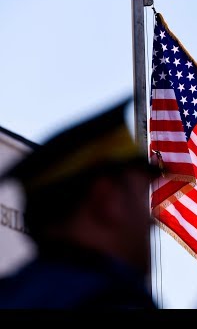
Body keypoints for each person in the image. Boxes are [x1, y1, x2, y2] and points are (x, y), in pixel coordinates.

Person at [0, 97, 160, 309]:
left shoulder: (13, 295)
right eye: (141, 198)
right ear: (106, 200)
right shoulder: (108, 301)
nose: (152, 222)